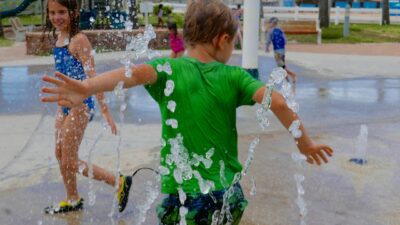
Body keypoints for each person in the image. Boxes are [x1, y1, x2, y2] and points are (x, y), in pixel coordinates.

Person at [41, 1, 333, 223]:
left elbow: (132, 73)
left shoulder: (169, 69)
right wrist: (304, 143)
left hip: (182, 198)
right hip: (226, 195)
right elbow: (279, 102)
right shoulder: (233, 76)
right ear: (222, 40)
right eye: (234, 42)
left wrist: (86, 87)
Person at [43, 0, 132, 214]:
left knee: (70, 160)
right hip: (63, 106)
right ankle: (72, 198)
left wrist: (105, 112)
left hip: (80, 106)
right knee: (59, 153)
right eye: (52, 12)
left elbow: (93, 78)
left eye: (62, 12)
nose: (57, 17)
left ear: (73, 12)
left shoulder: (79, 40)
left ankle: (118, 182)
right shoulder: (59, 37)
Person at [266, 17, 297, 93]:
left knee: (281, 67)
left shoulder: (270, 31)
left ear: (273, 23)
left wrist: (267, 48)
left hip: (277, 51)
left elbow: (268, 40)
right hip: (282, 50)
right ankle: (287, 81)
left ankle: (292, 74)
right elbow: (285, 40)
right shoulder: (280, 30)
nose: (269, 24)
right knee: (283, 65)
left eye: (270, 23)